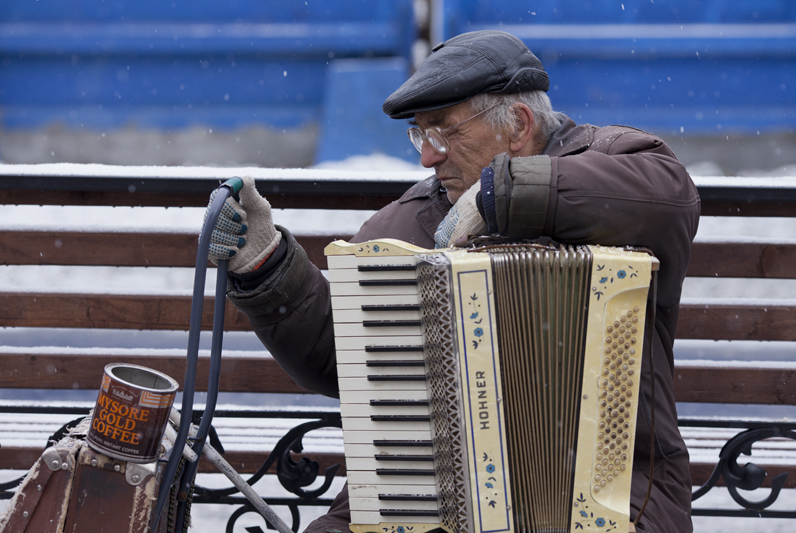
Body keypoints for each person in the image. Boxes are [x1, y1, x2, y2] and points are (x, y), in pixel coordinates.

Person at [206, 30, 700, 533]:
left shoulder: (617, 161)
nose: (428, 157)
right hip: (428, 491)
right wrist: (267, 267)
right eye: (421, 135)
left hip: (615, 489)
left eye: (444, 133)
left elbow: (669, 198)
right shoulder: (409, 224)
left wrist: (504, 193)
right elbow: (348, 360)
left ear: (519, 124)